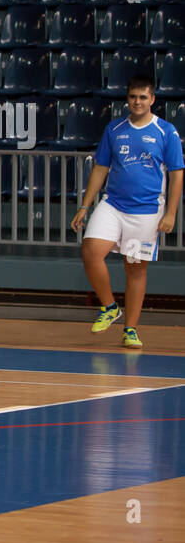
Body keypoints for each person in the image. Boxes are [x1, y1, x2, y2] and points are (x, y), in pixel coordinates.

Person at [71, 75, 183, 348]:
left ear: (152, 99)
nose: (137, 102)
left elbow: (177, 174)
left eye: (143, 97)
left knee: (134, 269)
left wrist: (170, 213)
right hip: (113, 205)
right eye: (133, 96)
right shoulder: (114, 129)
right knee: (91, 250)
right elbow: (100, 168)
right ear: (127, 98)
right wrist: (85, 205)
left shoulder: (165, 131)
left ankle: (130, 329)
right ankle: (110, 307)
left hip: (146, 211)